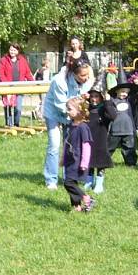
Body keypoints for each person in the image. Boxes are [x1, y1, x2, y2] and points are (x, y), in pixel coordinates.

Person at [42, 58, 93, 189]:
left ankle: (68, 177)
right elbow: (60, 105)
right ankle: (51, 180)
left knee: (69, 145)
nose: (86, 78)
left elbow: (82, 98)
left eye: (87, 74)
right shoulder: (59, 81)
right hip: (54, 112)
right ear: (74, 74)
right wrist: (78, 116)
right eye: (83, 75)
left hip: (72, 112)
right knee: (54, 144)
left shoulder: (87, 78)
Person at [62, 97, 94, 212]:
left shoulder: (83, 127)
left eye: (70, 109)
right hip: (70, 159)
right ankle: (77, 206)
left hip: (78, 160)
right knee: (72, 182)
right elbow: (67, 143)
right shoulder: (71, 125)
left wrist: (84, 162)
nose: (67, 111)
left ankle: (86, 197)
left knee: (68, 182)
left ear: (79, 111)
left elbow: (87, 146)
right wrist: (63, 158)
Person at [86, 88, 117, 194]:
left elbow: (113, 116)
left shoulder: (104, 109)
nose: (94, 99)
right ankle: (89, 181)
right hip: (88, 140)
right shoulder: (86, 108)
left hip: (101, 141)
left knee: (100, 162)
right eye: (92, 96)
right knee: (89, 161)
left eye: (96, 96)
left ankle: (99, 183)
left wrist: (108, 101)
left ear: (101, 97)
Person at [0, 43, 34, 128]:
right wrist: (6, 84)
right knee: (8, 107)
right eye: (11, 50)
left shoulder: (22, 60)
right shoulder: (4, 60)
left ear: (17, 51)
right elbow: (1, 73)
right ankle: (9, 124)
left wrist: (32, 82)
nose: (12, 52)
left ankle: (16, 124)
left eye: (14, 50)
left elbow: (27, 72)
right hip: (8, 88)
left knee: (18, 107)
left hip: (19, 88)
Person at [107, 83, 138, 166]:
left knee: (129, 147)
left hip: (128, 129)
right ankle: (105, 161)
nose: (125, 94)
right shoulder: (112, 101)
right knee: (110, 147)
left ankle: (131, 163)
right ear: (117, 91)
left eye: (126, 92)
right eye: (123, 92)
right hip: (115, 129)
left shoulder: (129, 101)